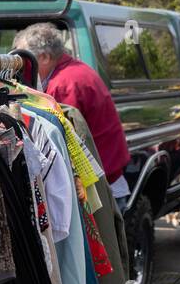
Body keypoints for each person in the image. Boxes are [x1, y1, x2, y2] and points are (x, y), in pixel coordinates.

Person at [13, 21, 131, 199]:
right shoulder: (74, 71)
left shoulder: (64, 85)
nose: (22, 66)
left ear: (44, 57)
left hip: (100, 186)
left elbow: (62, 141)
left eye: (25, 58)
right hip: (110, 174)